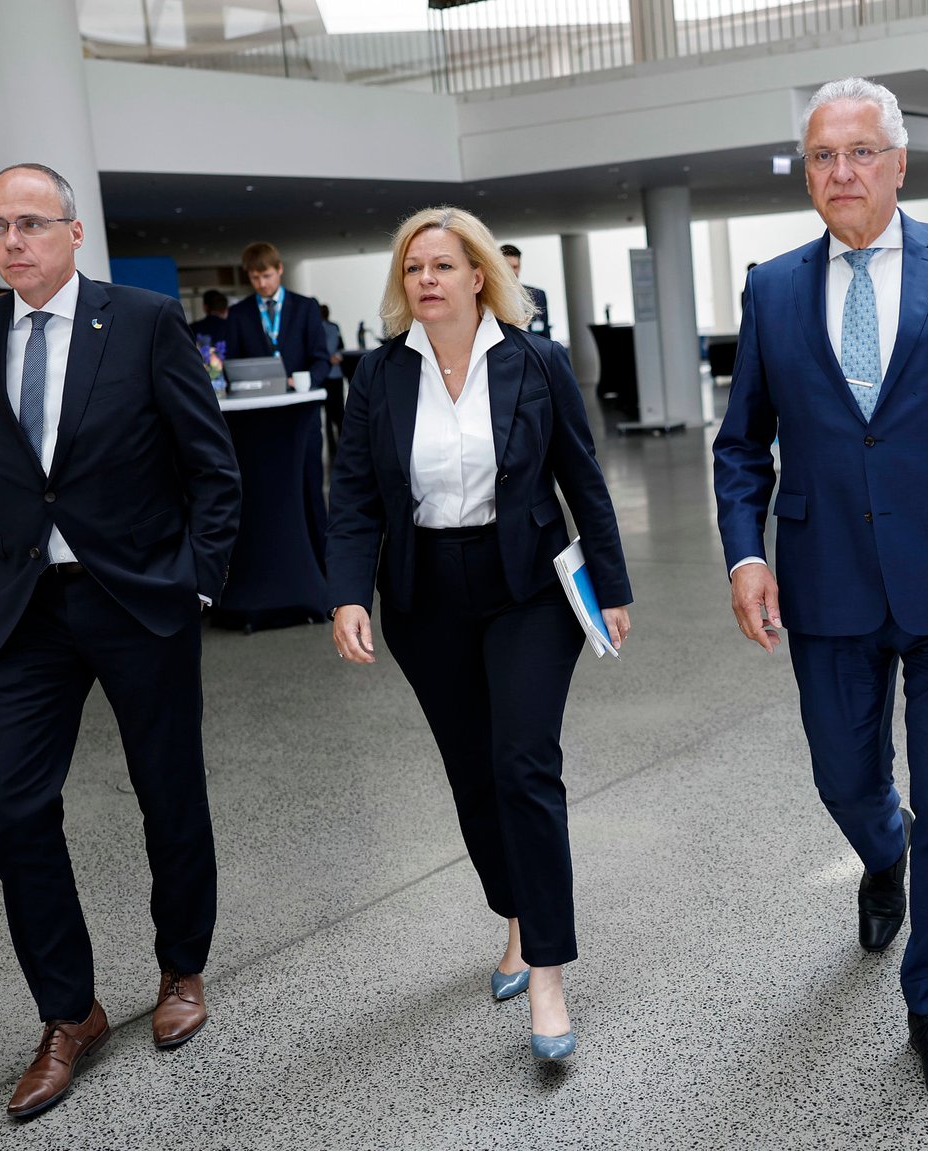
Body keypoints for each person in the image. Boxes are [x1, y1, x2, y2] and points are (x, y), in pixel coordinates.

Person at [712, 78, 928, 1109]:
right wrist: (744, 553)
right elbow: (742, 446)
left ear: (899, 163)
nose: (842, 173)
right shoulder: (772, 287)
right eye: (823, 157)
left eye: (861, 153)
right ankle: (880, 852)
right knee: (843, 776)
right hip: (824, 580)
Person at [0, 162, 242, 1119]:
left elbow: (211, 463)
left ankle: (181, 968)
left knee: (168, 789)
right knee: (11, 801)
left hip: (138, 597)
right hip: (23, 609)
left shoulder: (148, 320)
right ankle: (68, 1011)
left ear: (76, 234)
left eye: (31, 223)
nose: (12, 241)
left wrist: (197, 581)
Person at [328, 206, 631, 1063]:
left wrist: (610, 585)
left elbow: (583, 474)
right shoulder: (379, 374)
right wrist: (348, 592)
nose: (425, 278)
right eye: (413, 267)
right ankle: (514, 911)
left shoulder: (537, 361)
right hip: (425, 594)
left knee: (523, 762)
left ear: (478, 277)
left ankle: (546, 969)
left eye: (443, 265)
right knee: (472, 773)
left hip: (528, 584)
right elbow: (352, 493)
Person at [224, 241, 332, 388]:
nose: (261, 284)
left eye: (267, 276)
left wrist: (307, 381)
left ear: (280, 268)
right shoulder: (238, 312)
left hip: (301, 400)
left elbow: (321, 358)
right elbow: (233, 361)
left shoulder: (305, 306)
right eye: (254, 278)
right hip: (258, 401)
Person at [499, 244, 552, 338]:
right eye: (507, 267)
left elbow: (545, 334)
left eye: (515, 267)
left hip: (534, 349)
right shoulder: (491, 297)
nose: (512, 272)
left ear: (519, 268)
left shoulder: (538, 295)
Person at [319, 301, 346, 455]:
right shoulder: (333, 328)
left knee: (330, 416)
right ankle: (340, 448)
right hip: (332, 375)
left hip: (329, 375)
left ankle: (333, 449)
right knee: (338, 414)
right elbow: (341, 347)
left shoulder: (329, 328)